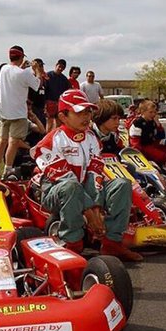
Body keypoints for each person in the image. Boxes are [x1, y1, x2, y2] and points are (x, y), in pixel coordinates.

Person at [31, 89, 142, 261]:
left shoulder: (92, 138)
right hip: (55, 193)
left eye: (88, 112)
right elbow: (66, 179)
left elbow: (95, 174)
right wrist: (90, 213)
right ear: (63, 116)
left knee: (122, 184)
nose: (86, 117)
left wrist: (96, 207)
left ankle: (112, 243)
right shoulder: (49, 142)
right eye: (79, 112)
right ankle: (72, 244)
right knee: (71, 186)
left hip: (84, 189)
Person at [0, 46, 43, 178]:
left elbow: (15, 76)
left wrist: (23, 67)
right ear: (21, 57)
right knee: (13, 142)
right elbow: (37, 85)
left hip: (5, 112)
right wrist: (36, 70)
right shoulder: (25, 73)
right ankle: (8, 169)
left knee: (2, 140)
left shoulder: (3, 69)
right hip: (19, 113)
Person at [129, 99, 166, 170]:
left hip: (152, 144)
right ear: (143, 112)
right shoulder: (138, 123)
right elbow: (134, 142)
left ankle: (160, 166)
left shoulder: (152, 122)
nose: (153, 114)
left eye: (155, 112)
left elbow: (161, 136)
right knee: (160, 155)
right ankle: (153, 164)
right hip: (143, 146)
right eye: (150, 112)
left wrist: (158, 125)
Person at [44, 59, 70, 131]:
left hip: (59, 103)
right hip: (49, 102)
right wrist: (45, 103)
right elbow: (44, 90)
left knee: (59, 123)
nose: (60, 68)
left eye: (62, 67)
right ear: (56, 65)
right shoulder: (48, 75)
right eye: (59, 66)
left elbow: (66, 92)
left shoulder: (64, 79)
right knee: (49, 122)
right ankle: (47, 137)